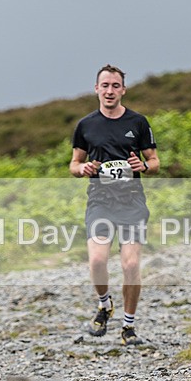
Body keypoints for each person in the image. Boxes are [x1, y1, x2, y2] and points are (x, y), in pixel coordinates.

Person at [69, 64, 159, 345]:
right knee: (97, 259)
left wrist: (143, 166)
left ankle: (128, 327)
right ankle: (104, 304)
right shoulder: (86, 125)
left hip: (132, 202)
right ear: (96, 88)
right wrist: (82, 169)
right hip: (100, 200)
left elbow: (155, 163)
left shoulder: (138, 122)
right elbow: (73, 164)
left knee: (131, 265)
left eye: (115, 86)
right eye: (105, 85)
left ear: (123, 90)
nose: (110, 90)